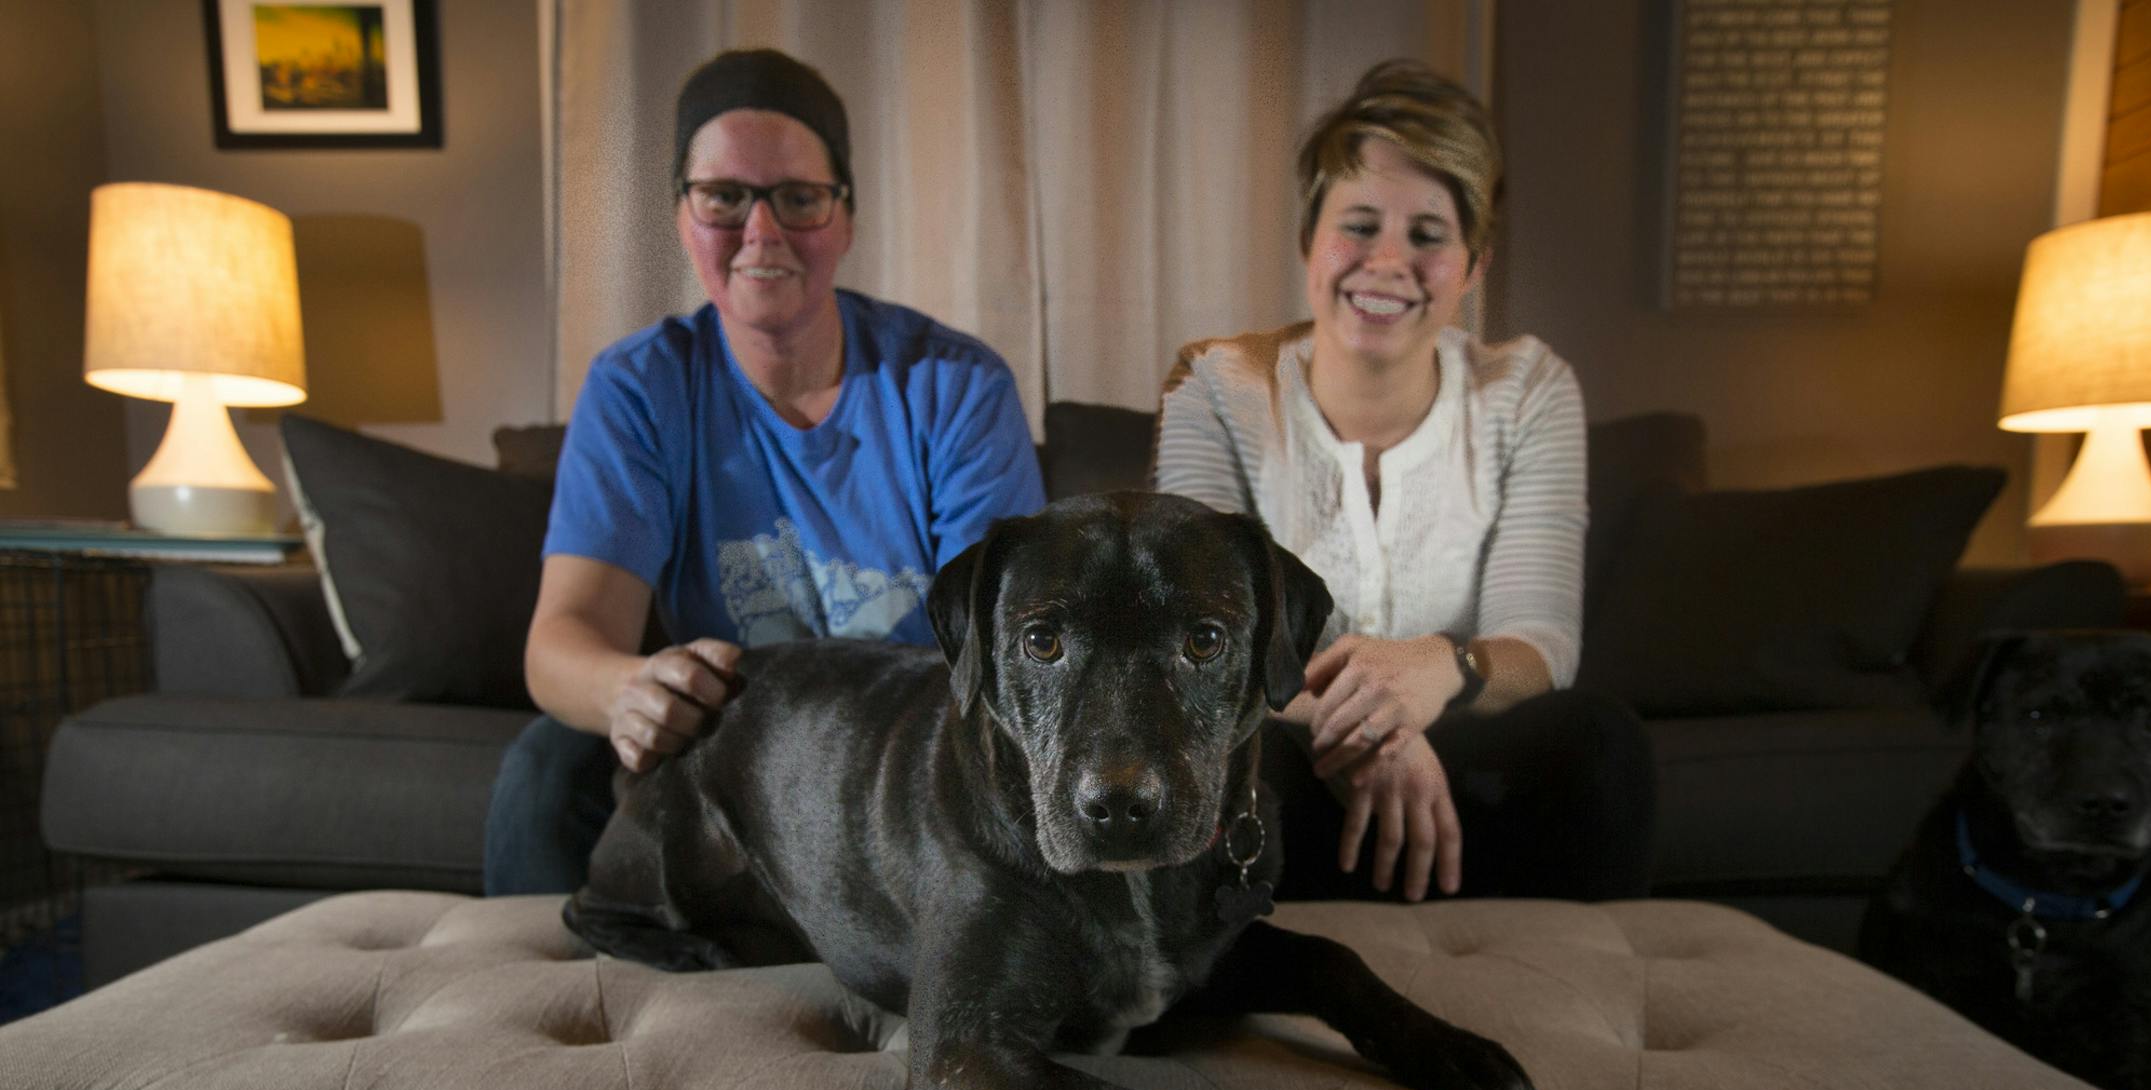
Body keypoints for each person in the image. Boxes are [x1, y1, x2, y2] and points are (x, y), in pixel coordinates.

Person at [486, 48, 1044, 895]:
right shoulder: (641, 386)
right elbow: (561, 642)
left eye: (798, 198)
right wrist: (629, 688)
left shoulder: (956, 386)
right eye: (725, 197)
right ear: (682, 215)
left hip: (913, 739)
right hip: (725, 737)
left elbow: (1001, 648)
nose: (762, 232)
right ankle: (539, 1014)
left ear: (846, 217)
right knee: (546, 764)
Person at [1153, 59, 1654, 904]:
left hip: (1461, 762)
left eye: (1428, 235)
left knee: (1600, 743)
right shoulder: (1213, 386)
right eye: (1358, 226)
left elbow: (1540, 648)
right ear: (1310, 241)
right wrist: (1377, 731)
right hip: (1288, 754)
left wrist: (1443, 665)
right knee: (1234, 759)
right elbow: (1202, 638)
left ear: (1474, 264)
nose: (1388, 262)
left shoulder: (1529, 390)